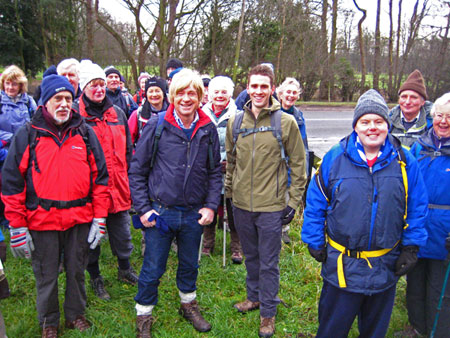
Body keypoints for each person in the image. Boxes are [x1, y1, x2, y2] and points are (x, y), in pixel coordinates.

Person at [301, 89, 428, 338]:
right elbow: (315, 202)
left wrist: (411, 246)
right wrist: (314, 240)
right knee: (331, 330)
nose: (372, 127)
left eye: (379, 122)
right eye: (365, 122)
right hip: (342, 268)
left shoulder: (404, 161)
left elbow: (417, 206)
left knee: (374, 332)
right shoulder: (335, 158)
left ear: (387, 125)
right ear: (356, 126)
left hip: (385, 265)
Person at [1, 74, 109, 337]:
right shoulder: (28, 134)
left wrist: (100, 218)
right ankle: (49, 321)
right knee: (46, 275)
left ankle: (75, 314)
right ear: (45, 102)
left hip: (79, 218)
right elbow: (12, 182)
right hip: (41, 220)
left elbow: (101, 179)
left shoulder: (84, 133)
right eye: (57, 98)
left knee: (76, 271)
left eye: (68, 99)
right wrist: (17, 225)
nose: (63, 104)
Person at [129, 68, 222, 337]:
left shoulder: (207, 130)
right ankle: (144, 314)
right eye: (180, 93)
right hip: (161, 212)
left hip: (193, 213)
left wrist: (211, 205)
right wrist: (144, 209)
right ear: (172, 96)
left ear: (200, 97)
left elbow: (215, 171)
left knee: (190, 263)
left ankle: (188, 303)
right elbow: (137, 170)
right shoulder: (157, 126)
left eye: (191, 93)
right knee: (152, 267)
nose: (186, 99)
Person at [225, 64, 307, 337]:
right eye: (254, 86)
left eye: (264, 86)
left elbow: (299, 166)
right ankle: (254, 296)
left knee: (269, 262)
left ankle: (268, 313)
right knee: (251, 256)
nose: (258, 91)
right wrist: (229, 196)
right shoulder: (235, 122)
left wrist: (293, 203)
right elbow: (231, 163)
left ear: (273, 89)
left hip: (271, 207)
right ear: (247, 88)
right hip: (241, 206)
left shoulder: (286, 123)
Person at [74, 60, 138, 301]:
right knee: (92, 238)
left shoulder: (118, 113)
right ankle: (95, 277)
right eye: (93, 85)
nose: (99, 89)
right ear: (83, 88)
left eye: (102, 84)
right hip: (90, 190)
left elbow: (128, 150)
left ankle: (125, 269)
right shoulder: (76, 116)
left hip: (118, 184)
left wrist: (128, 177)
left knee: (122, 233)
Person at [403, 92, 450, 338]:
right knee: (415, 284)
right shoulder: (419, 146)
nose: (444, 121)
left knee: (439, 289)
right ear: (433, 117)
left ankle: (438, 332)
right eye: (440, 115)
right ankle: (417, 327)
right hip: (418, 227)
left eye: (449, 117)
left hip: (445, 233)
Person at [201, 75, 242, 263]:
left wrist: (231, 162)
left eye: (224, 92)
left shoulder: (238, 115)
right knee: (209, 205)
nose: (219, 95)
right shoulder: (202, 113)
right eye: (216, 92)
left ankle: (237, 248)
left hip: (230, 169)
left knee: (233, 209)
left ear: (230, 94)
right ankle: (207, 244)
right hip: (208, 169)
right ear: (209, 94)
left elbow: (242, 144)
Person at [276, 77, 309, 244]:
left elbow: (303, 147)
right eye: (287, 92)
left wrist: (304, 170)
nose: (290, 95)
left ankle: (284, 231)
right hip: (274, 165)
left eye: (294, 93)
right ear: (280, 94)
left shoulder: (299, 117)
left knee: (287, 198)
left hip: (290, 165)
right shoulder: (272, 113)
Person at [389, 69, 433, 148]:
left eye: (413, 97)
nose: (408, 102)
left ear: (423, 102)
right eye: (404, 97)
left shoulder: (432, 124)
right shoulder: (388, 121)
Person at [0, 65, 37, 147]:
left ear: (21, 85)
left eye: (14, 84)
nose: (10, 87)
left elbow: (38, 123)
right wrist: (13, 137)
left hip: (26, 147)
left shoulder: (29, 101)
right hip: (4, 149)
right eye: (7, 83)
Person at [128, 76, 169, 147]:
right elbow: (128, 141)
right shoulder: (138, 115)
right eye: (150, 91)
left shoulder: (173, 113)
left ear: (163, 93)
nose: (154, 95)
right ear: (146, 94)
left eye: (157, 91)